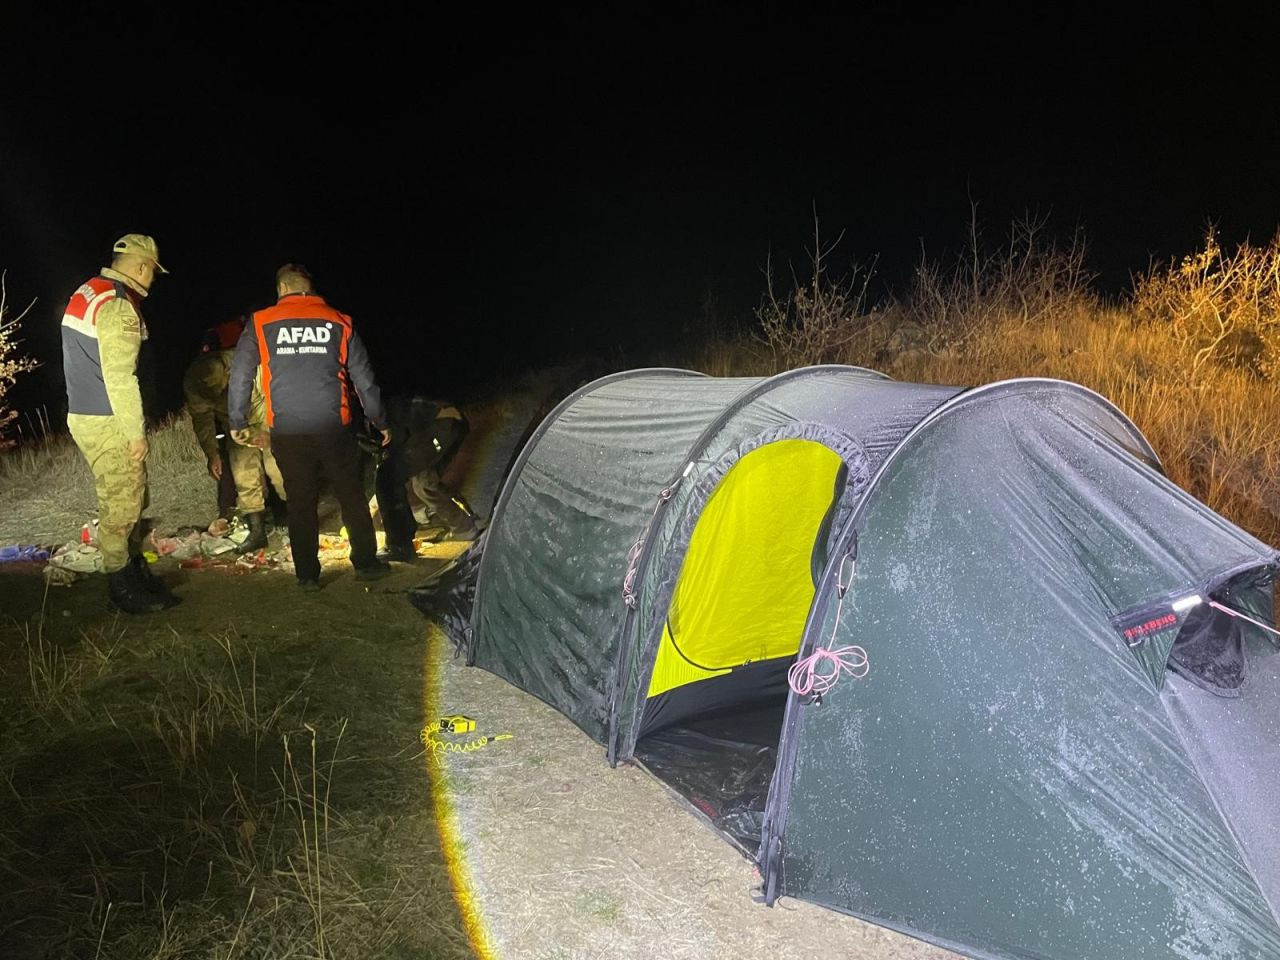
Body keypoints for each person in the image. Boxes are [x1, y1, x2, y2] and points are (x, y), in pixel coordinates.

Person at [227, 263, 391, 589]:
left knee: (300, 501)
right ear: (310, 288)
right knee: (351, 494)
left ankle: (306, 576)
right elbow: (365, 380)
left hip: (287, 431)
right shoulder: (340, 321)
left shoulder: (261, 322)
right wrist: (379, 421)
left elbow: (241, 375)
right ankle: (366, 564)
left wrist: (237, 419)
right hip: (335, 427)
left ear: (281, 289)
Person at [61, 234, 179, 613]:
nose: (153, 280)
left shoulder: (88, 292)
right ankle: (122, 589)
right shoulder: (118, 305)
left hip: (87, 413)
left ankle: (134, 571)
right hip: (109, 419)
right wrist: (134, 432)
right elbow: (120, 375)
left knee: (130, 497)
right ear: (143, 267)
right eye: (153, 273)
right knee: (121, 506)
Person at [183, 318, 286, 552]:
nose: (216, 392)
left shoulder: (248, 363)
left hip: (262, 417)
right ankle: (257, 532)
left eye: (218, 386)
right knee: (244, 475)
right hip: (236, 428)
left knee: (279, 470)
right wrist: (212, 454)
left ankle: (298, 520)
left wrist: (269, 434)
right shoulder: (194, 381)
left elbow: (272, 397)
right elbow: (203, 421)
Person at [372, 397, 481, 562]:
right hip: (422, 432)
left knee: (424, 482)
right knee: (422, 481)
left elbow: (391, 473)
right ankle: (464, 523)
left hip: (445, 422)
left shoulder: (379, 414)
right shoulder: (370, 428)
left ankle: (465, 529)